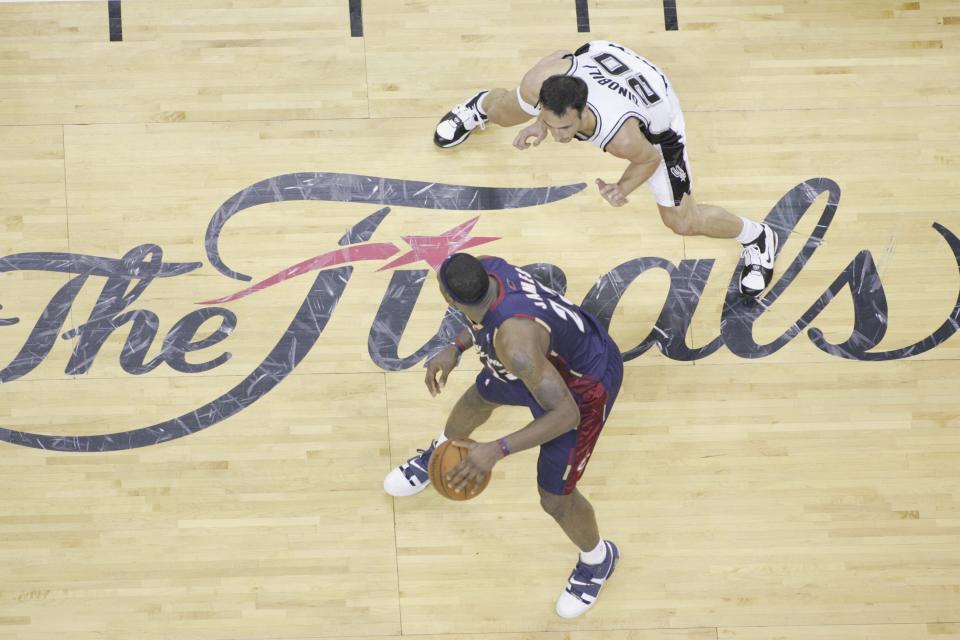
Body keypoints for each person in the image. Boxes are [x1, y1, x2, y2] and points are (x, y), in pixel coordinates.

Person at [433, 40, 778, 298]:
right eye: (551, 125)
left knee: (682, 221)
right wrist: (540, 122)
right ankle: (478, 106)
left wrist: (621, 187)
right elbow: (561, 60)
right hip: (600, 57)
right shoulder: (542, 81)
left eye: (564, 129)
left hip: (658, 115)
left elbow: (648, 159)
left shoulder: (622, 137)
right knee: (505, 111)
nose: (557, 135)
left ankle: (758, 237)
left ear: (582, 113)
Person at [383, 252, 624, 618]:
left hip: (580, 389)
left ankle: (597, 561)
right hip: (541, 364)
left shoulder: (517, 348)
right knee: (478, 399)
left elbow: (567, 414)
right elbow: (482, 317)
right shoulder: (489, 269)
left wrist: (495, 449)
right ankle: (438, 454)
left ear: (448, 299)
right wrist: (455, 347)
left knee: (555, 499)